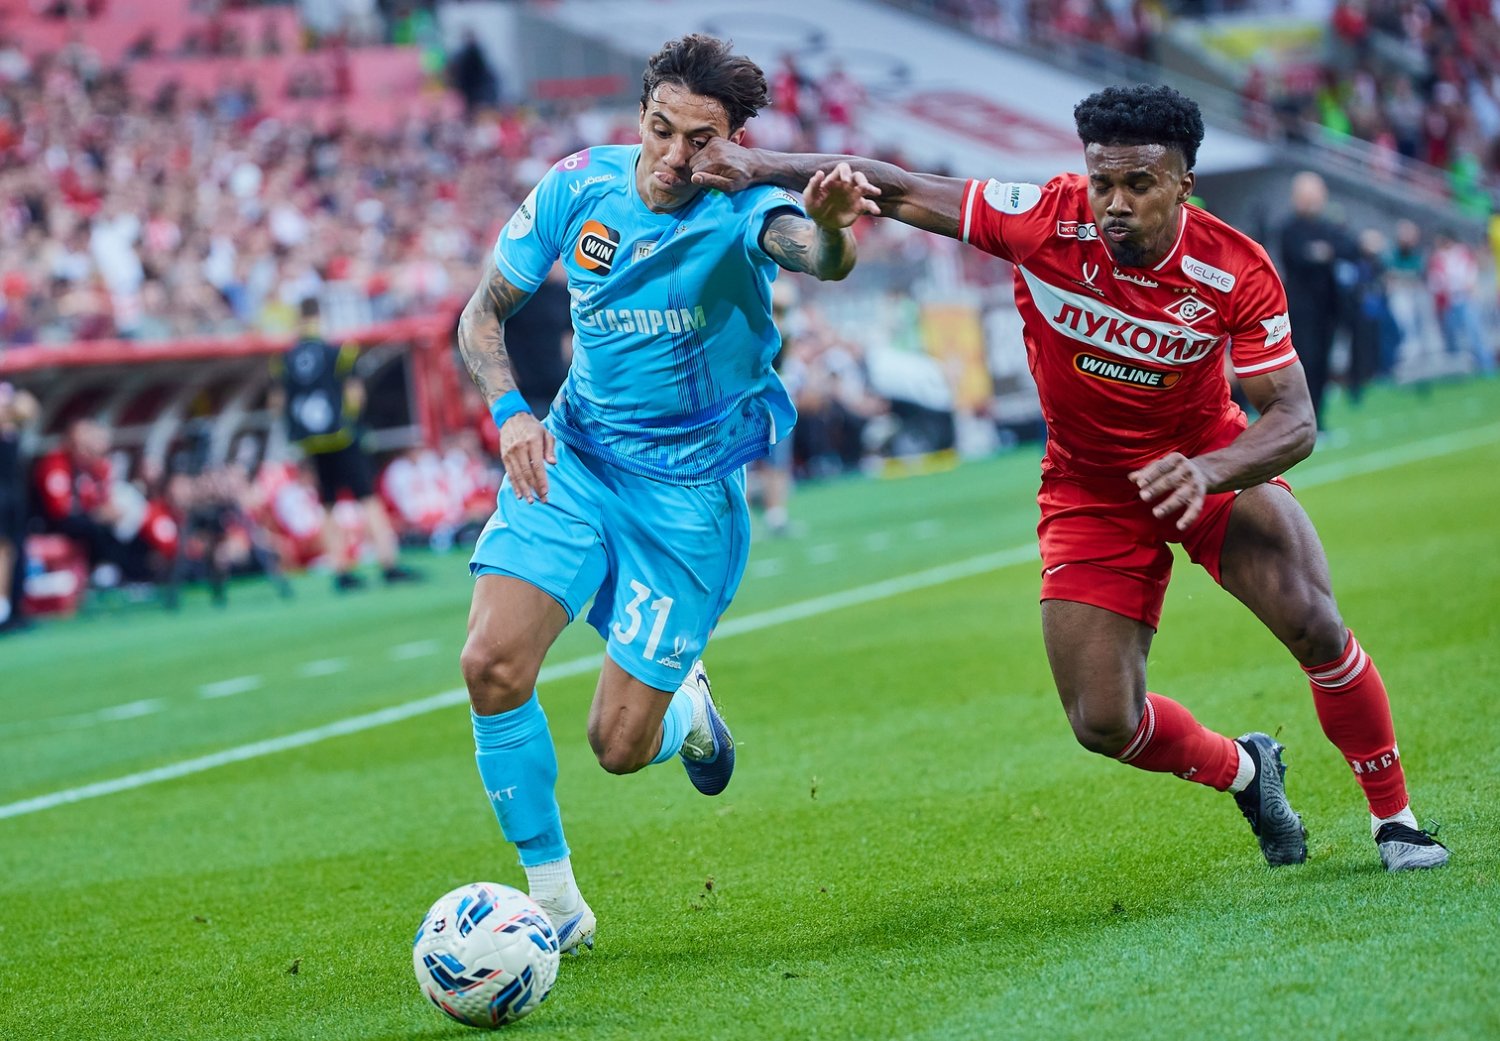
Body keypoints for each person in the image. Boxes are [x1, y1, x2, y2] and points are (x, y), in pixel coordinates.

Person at [688, 83, 1448, 873]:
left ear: (1183, 184)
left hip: (1207, 460)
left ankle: (1394, 820)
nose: (1115, 202)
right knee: (1102, 720)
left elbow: (1293, 420)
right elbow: (903, 189)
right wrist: (758, 166)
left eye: (1139, 183)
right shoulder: (1043, 217)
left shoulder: (1234, 268)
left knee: (1316, 624)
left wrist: (1209, 470)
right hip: (1090, 487)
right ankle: (1247, 770)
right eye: (1102, 181)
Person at [455, 33, 877, 954]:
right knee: (490, 663)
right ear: (640, 115)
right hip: (573, 458)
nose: (676, 157)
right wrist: (511, 412)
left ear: (732, 142)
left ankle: (689, 711)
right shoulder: (577, 187)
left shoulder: (746, 210)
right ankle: (553, 902)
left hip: (685, 502)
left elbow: (819, 254)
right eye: (661, 130)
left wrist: (836, 227)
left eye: (701, 139)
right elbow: (482, 314)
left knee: (616, 744)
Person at [269, 297, 420, 592]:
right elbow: (354, 395)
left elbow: (277, 403)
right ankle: (389, 564)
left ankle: (340, 570)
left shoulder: (284, 359)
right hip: (342, 436)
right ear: (320, 316)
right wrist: (353, 424)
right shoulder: (338, 351)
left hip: (312, 442)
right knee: (367, 498)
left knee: (327, 503)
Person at [1276, 172, 1352, 428]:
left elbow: (1347, 248)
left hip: (1326, 308)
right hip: (1302, 310)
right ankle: (1300, 420)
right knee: (1304, 364)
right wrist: (1323, 253)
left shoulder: (1327, 227)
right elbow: (1300, 257)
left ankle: (1318, 417)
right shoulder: (1289, 228)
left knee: (1322, 364)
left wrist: (1324, 252)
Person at [0, 382, 38, 633]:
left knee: (16, 551)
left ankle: (13, 610)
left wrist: (10, 408)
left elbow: (28, 409)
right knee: (3, 551)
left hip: (14, 497)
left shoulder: (11, 397)